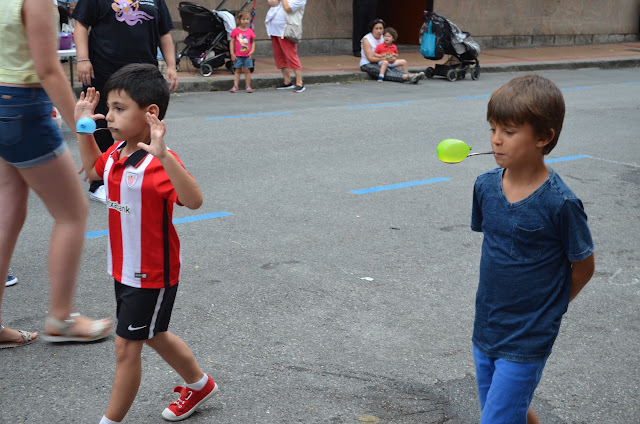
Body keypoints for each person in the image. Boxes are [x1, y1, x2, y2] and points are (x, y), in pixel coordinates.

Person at [75, 63, 216, 423]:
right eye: (108, 107)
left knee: (126, 347)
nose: (109, 115)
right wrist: (82, 126)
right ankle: (199, 385)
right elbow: (93, 170)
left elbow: (195, 200)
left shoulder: (158, 163)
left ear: (150, 113)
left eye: (119, 108)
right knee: (152, 334)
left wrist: (166, 156)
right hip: (122, 267)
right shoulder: (118, 153)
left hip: (151, 271)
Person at [470, 75, 595, 424]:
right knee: (508, 410)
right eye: (493, 128)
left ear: (543, 137)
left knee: (496, 418)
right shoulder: (485, 186)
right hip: (487, 326)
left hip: (528, 337)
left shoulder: (561, 203)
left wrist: (548, 310)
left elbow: (584, 267)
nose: (496, 139)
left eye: (509, 131)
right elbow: (497, 252)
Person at [0, 0, 112, 349]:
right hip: (23, 108)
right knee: (72, 213)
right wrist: (83, 129)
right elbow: (48, 70)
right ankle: (61, 318)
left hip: (4, 102)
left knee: (7, 214)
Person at [72, 0, 178, 203]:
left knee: (142, 123)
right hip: (104, 70)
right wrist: (83, 59)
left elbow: (164, 33)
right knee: (103, 123)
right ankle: (99, 183)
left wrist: (172, 65)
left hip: (143, 74)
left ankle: (136, 173)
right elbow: (81, 25)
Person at [360, 19, 424, 84]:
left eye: (381, 28)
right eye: (376, 28)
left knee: (394, 68)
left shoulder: (384, 37)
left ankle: (411, 75)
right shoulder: (367, 39)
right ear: (372, 29)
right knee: (385, 70)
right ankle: (405, 77)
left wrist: (392, 58)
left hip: (383, 61)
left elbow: (389, 51)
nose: (379, 31)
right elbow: (370, 58)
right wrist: (384, 58)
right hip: (368, 64)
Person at [265, 0, 307, 93]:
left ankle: (299, 83)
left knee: (291, 55)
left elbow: (288, 8)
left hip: (286, 31)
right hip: (274, 29)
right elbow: (272, 3)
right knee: (279, 56)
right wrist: (270, 3)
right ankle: (287, 81)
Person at [229, 10, 256, 93]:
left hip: (247, 55)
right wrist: (232, 53)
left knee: (247, 70)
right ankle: (235, 86)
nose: (246, 21)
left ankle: (248, 86)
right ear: (239, 20)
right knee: (237, 70)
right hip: (238, 55)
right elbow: (232, 42)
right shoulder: (235, 31)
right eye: (243, 19)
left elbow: (253, 42)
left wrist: (252, 50)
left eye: (247, 19)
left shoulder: (250, 31)